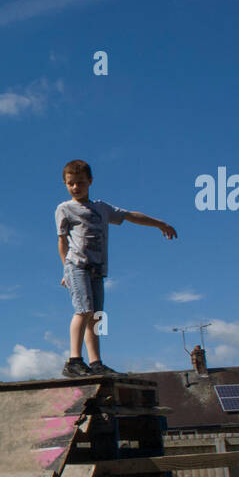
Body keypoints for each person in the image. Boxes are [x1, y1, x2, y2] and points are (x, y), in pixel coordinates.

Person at [56, 159, 177, 377]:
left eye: (80, 183)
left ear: (90, 181)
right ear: (65, 184)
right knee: (83, 310)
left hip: (98, 268)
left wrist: (160, 223)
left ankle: (96, 363)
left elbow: (130, 216)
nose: (76, 187)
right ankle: (74, 361)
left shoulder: (102, 208)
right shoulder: (64, 209)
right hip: (77, 266)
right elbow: (62, 242)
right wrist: (65, 270)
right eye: (71, 183)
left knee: (97, 316)